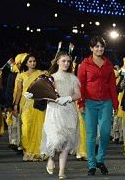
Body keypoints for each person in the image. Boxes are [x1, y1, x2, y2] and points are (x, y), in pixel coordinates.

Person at [77, 36, 118, 176]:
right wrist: (80, 103)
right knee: (91, 135)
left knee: (106, 133)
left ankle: (100, 159)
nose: (99, 49)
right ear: (91, 48)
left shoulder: (108, 64)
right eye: (97, 46)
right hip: (89, 103)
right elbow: (80, 86)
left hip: (106, 103)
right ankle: (92, 165)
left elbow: (112, 86)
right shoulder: (85, 65)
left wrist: (115, 104)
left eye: (102, 46)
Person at [41, 52, 81, 180]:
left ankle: (62, 171)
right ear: (57, 61)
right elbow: (44, 93)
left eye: (68, 61)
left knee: (67, 142)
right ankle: (51, 158)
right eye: (64, 61)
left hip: (68, 111)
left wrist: (68, 98)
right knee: (55, 139)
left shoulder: (73, 78)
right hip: (54, 111)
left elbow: (78, 94)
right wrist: (34, 94)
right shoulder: (50, 78)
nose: (66, 63)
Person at [14, 54, 47, 161]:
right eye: (30, 61)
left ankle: (39, 152)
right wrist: (15, 105)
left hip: (37, 104)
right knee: (26, 128)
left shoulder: (41, 74)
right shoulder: (21, 75)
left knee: (39, 128)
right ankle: (28, 152)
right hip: (25, 105)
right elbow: (19, 91)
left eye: (34, 61)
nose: (33, 63)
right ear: (26, 63)